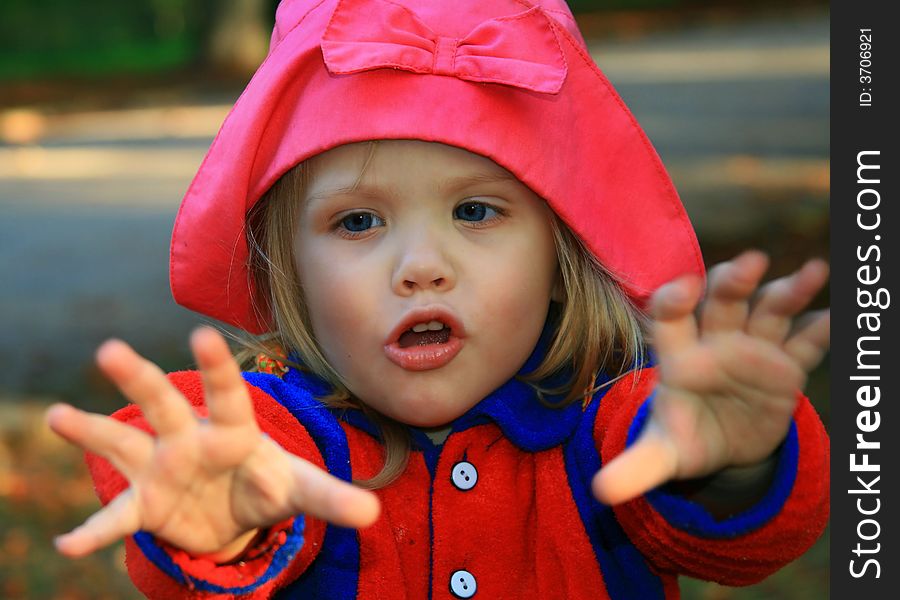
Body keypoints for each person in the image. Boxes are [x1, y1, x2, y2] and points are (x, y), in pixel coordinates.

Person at [47, 0, 831, 598]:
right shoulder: (280, 438)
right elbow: (209, 448)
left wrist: (733, 465)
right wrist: (222, 524)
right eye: (358, 221)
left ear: (560, 252)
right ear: (289, 269)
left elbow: (738, 542)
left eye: (475, 211)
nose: (421, 266)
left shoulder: (614, 420)